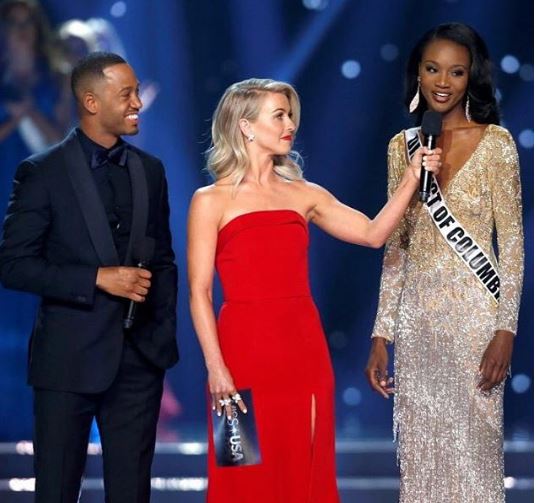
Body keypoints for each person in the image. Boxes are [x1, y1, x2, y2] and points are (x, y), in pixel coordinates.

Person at [187, 78, 441, 502]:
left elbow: (373, 233)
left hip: (302, 352)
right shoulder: (210, 200)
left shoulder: (305, 194)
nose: (290, 125)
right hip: (240, 355)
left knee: (304, 470)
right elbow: (198, 292)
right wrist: (216, 367)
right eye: (279, 116)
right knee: (239, 471)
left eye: (290, 116)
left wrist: (412, 178)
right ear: (246, 126)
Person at [0, 52, 178, 502]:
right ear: (91, 102)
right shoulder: (42, 172)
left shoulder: (150, 170)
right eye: (127, 94)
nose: (138, 102)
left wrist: (158, 341)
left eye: (136, 92)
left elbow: (163, 262)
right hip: (67, 361)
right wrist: (96, 278)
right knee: (57, 491)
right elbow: (14, 265)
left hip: (138, 363)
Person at [365, 23, 524, 503]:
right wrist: (381, 333)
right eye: (433, 69)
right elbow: (397, 244)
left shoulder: (496, 143)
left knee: (475, 455)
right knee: (422, 458)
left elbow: (512, 244)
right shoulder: (402, 147)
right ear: (417, 73)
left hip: (476, 320)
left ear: (471, 76)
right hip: (418, 324)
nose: (443, 81)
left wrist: (506, 330)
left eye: (456, 72)